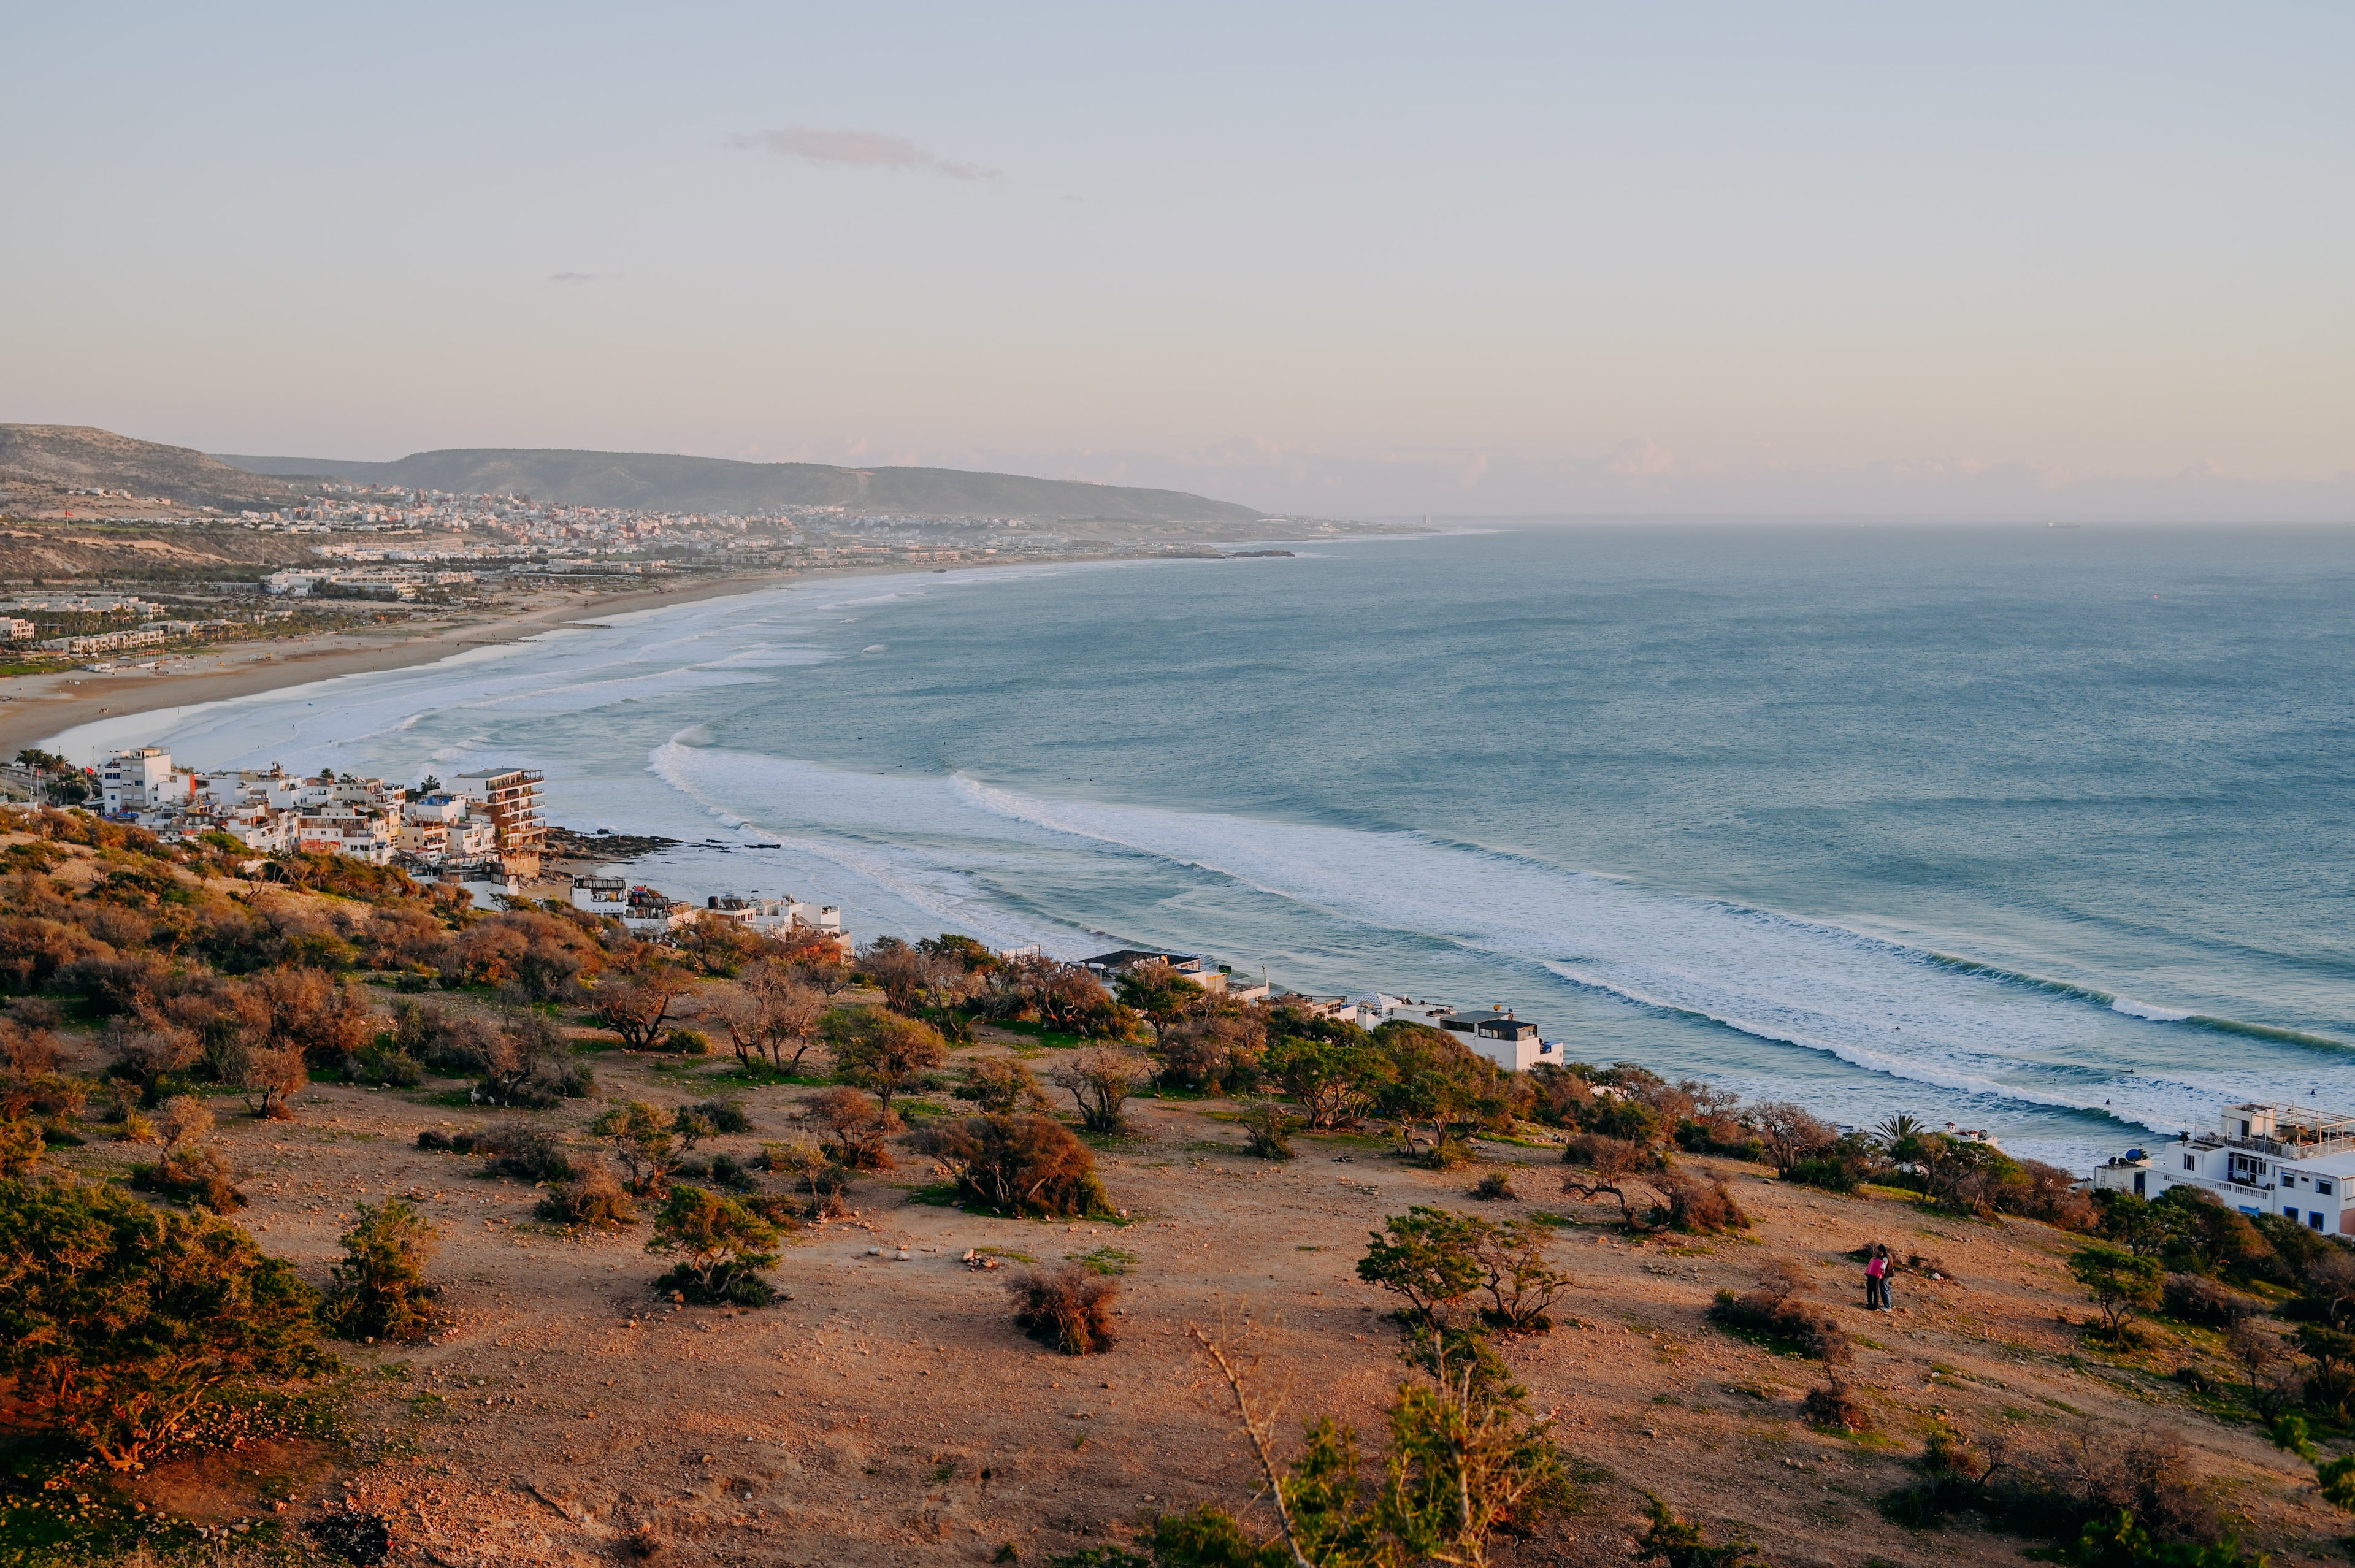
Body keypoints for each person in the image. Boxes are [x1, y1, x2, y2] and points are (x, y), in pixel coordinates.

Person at [1864, 1245, 1890, 1311]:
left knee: (1869, 1292)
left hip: (1870, 1276)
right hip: (1876, 1278)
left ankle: (1870, 1305)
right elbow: (1883, 1270)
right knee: (1876, 1292)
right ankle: (1875, 1306)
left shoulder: (1872, 1260)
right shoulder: (1882, 1262)